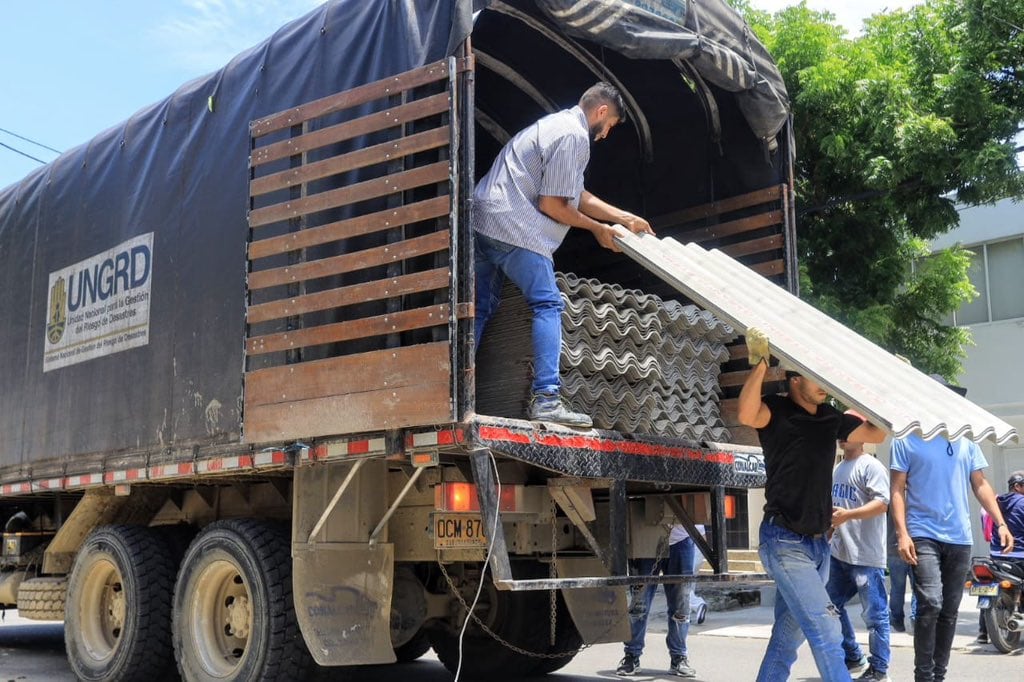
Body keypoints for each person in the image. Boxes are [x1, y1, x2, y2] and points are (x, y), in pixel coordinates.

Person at [472, 82, 654, 428]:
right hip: (513, 226)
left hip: (483, 222)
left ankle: (456, 391)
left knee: (480, 307)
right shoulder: (574, 136)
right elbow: (553, 204)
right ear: (601, 112)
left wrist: (622, 217)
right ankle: (547, 399)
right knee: (548, 303)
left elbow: (575, 192)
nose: (606, 134)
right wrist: (597, 229)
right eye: (611, 124)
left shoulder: (555, 125)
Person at [737, 328, 886, 682]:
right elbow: (745, 413)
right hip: (784, 540)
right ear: (793, 379)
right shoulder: (775, 410)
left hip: (819, 545)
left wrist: (880, 387)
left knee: (788, 639)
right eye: (815, 378)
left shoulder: (830, 417)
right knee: (827, 631)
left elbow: (877, 434)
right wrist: (760, 363)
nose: (823, 385)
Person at [890, 375, 1014, 682]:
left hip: (959, 536)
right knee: (930, 601)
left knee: (949, 609)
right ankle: (923, 675)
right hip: (923, 533)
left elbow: (981, 484)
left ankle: (938, 676)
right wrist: (902, 533)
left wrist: (1000, 522)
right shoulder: (906, 439)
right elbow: (897, 490)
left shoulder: (966, 441)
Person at [826, 425, 892, 681]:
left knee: (875, 615)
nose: (841, 436)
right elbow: (836, 510)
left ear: (862, 436)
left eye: (847, 431)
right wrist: (831, 530)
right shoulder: (838, 468)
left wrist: (848, 516)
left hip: (866, 556)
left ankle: (880, 670)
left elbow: (882, 504)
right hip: (840, 554)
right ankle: (853, 656)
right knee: (830, 608)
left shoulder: (871, 466)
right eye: (839, 431)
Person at [616, 525, 698, 677]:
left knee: (681, 606)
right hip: (645, 536)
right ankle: (631, 656)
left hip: (681, 539)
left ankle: (678, 657)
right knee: (639, 605)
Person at [887, 514, 916, 634]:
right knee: (918, 586)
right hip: (916, 547)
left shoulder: (891, 496)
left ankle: (897, 619)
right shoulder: (919, 496)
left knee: (897, 587)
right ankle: (915, 617)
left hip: (894, 546)